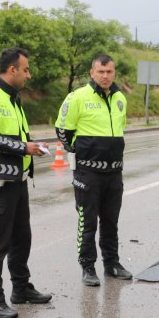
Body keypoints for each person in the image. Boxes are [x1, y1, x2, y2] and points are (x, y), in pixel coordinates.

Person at [0, 47, 52, 318]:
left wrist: (31, 147)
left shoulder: (14, 99)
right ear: (12, 69)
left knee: (21, 238)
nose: (29, 74)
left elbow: (15, 138)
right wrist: (24, 148)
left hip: (17, 179)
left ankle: (21, 289)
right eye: (26, 69)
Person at [55, 54, 132, 287]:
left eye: (109, 71)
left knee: (111, 221)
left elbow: (120, 129)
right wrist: (81, 153)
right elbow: (62, 130)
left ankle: (112, 264)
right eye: (101, 71)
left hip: (114, 172)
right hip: (88, 173)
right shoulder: (77, 96)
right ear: (92, 72)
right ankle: (87, 266)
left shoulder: (120, 98)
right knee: (87, 222)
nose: (105, 76)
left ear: (114, 72)